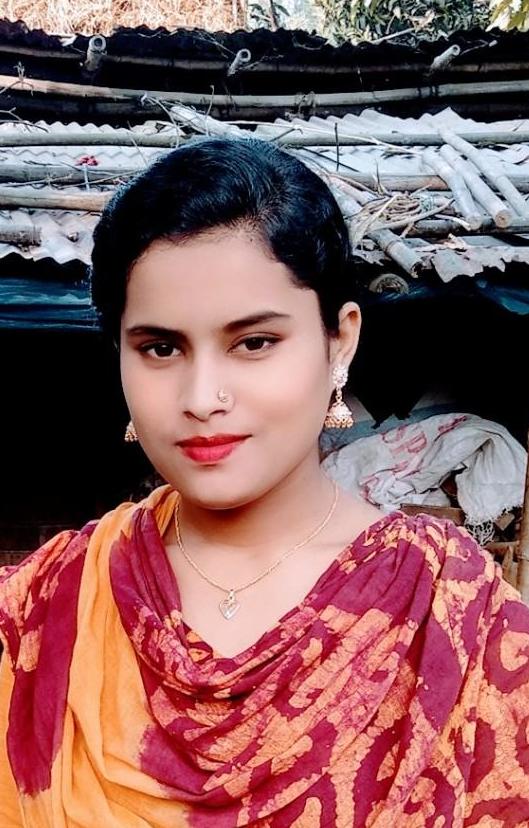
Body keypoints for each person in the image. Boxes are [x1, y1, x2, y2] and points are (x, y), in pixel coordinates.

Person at [0, 137, 528, 828]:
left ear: (340, 341)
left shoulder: (449, 612)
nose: (202, 398)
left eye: (253, 343)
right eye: (160, 348)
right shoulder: (46, 610)